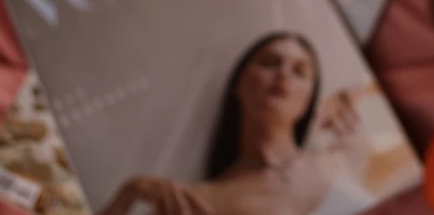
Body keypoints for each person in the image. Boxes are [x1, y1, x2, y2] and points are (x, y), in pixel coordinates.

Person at [100, 32, 374, 215]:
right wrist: (128, 193)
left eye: (300, 72)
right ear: (238, 84)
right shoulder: (197, 201)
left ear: (308, 101)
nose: (283, 75)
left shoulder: (347, 154)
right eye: (269, 63)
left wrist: (350, 96)